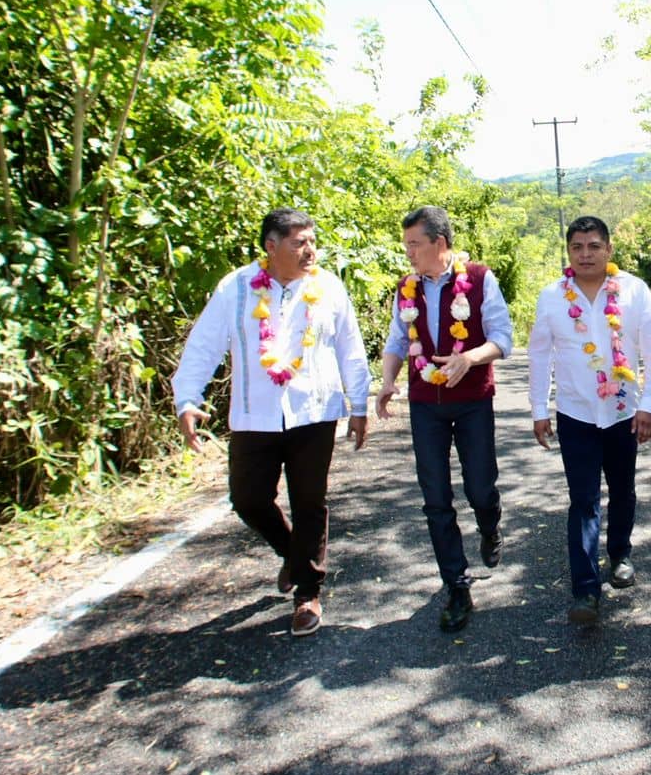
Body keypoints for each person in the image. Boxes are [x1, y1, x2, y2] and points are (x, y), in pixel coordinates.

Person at [172, 209, 371, 637]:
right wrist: (187, 398)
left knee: (309, 502)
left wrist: (359, 404)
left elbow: (350, 348)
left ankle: (307, 594)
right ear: (271, 246)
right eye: (299, 242)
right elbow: (203, 346)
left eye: (312, 240)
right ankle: (292, 554)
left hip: (314, 412)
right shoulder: (236, 288)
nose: (310, 250)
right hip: (253, 414)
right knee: (247, 498)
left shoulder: (329, 288)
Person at [376, 206, 512, 632]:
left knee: (479, 487)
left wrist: (468, 359)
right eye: (407, 245)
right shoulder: (406, 288)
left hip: (472, 400)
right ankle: (457, 586)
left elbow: (502, 338)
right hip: (424, 404)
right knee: (435, 498)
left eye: (415, 244)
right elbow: (399, 339)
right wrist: (386, 382)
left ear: (439, 243)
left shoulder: (480, 278)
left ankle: (490, 526)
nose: (409, 253)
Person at [527, 216, 651, 624]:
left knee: (623, 490)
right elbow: (540, 355)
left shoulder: (634, 291)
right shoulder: (552, 296)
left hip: (624, 412)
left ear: (608, 250)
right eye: (577, 247)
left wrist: (648, 406)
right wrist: (539, 409)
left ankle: (620, 553)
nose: (585, 254)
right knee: (584, 499)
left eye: (593, 246)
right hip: (576, 413)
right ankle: (585, 591)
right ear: (568, 252)